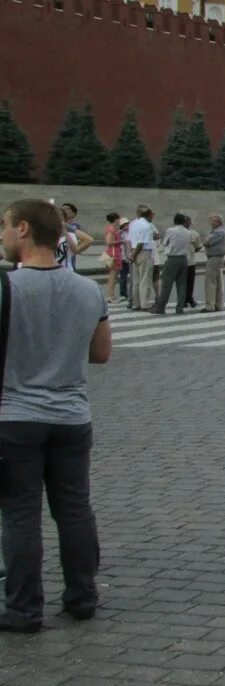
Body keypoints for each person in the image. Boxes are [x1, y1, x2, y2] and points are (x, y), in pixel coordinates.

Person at [0, 198, 111, 634]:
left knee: (21, 515)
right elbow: (101, 353)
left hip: (15, 418)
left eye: (5, 226)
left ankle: (24, 610)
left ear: (24, 229)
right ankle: (82, 597)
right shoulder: (89, 289)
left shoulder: (6, 287)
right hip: (71, 416)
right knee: (75, 509)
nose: (3, 234)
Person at [152, 214, 200, 315]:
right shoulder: (188, 232)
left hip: (172, 258)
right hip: (184, 259)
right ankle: (179, 308)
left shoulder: (171, 230)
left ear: (174, 221)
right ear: (183, 222)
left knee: (166, 284)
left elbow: (165, 243)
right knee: (182, 284)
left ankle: (160, 307)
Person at [54, 204, 93, 271]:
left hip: (67, 262)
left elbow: (88, 240)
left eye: (66, 209)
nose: (64, 210)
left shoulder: (73, 227)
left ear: (73, 213)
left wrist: (76, 250)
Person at [202, 214, 225, 312]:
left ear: (218, 222)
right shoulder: (218, 231)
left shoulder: (218, 232)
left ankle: (210, 306)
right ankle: (218, 304)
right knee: (218, 282)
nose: (211, 223)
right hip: (217, 258)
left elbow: (207, 242)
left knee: (210, 281)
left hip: (214, 258)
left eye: (212, 221)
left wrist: (205, 242)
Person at [102, 212, 124, 304]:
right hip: (113, 254)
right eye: (119, 219)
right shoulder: (111, 229)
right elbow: (109, 242)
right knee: (113, 276)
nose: (119, 221)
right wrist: (121, 241)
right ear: (116, 219)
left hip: (114, 253)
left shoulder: (113, 229)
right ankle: (110, 296)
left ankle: (111, 295)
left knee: (113, 276)